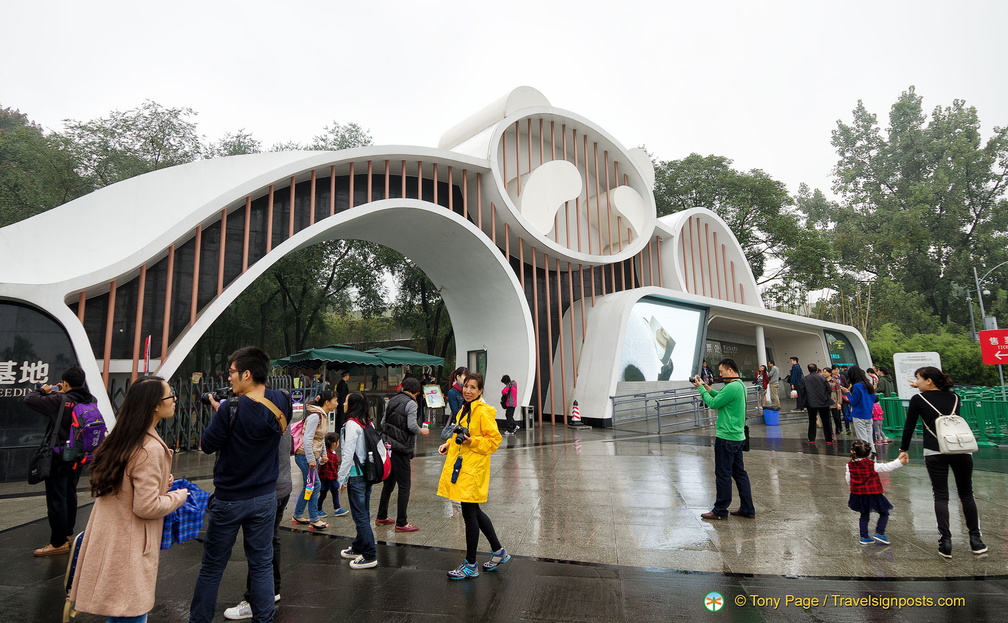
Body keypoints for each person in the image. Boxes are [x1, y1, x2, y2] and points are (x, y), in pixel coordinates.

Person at [69, 376, 188, 622]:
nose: (175, 400)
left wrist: (159, 482)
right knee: (131, 612)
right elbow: (146, 506)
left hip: (110, 538)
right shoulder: (150, 448)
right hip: (130, 545)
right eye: (170, 396)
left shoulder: (122, 438)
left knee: (118, 611)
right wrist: (178, 496)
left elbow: (126, 486)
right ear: (155, 405)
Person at [189, 346, 290, 623]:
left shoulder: (230, 409)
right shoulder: (282, 400)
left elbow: (207, 445)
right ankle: (264, 619)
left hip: (230, 499)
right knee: (261, 565)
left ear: (247, 374)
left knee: (212, 567)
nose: (229, 378)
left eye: (232, 372)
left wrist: (220, 415)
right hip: (265, 498)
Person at [898, 366, 987, 558]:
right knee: (966, 493)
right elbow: (940, 398)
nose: (916, 382)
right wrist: (922, 388)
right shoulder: (955, 397)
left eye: (918, 379)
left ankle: (945, 542)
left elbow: (909, 428)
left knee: (941, 496)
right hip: (960, 449)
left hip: (934, 451)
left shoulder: (918, 399)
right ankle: (976, 540)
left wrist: (903, 450)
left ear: (928, 381)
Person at [223, 394, 296, 621]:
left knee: (258, 549)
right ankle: (272, 590)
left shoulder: (264, 422)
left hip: (267, 490)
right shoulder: (284, 423)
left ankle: (254, 599)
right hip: (284, 487)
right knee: (271, 540)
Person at [437, 372, 509, 579]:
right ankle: (498, 551)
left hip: (473, 469)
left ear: (480, 391)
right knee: (474, 511)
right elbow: (460, 434)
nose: (468, 391)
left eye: (473, 388)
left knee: (470, 514)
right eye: (466, 386)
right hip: (464, 467)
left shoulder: (483, 411)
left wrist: (472, 442)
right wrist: (448, 443)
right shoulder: (464, 409)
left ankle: (470, 564)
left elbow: (494, 441)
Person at [24, 364, 98, 556]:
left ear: (65, 383)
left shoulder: (60, 400)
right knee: (69, 495)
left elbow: (30, 399)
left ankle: (57, 543)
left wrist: (43, 390)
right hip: (79, 456)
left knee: (57, 499)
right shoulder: (91, 400)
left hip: (59, 457)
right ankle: (67, 535)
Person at [691, 358, 755, 520]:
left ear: (730, 370)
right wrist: (705, 386)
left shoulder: (732, 386)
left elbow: (713, 403)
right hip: (737, 436)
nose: (720, 374)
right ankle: (747, 508)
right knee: (740, 473)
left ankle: (720, 510)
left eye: (721, 371)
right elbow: (720, 395)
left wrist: (700, 389)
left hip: (726, 437)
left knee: (723, 474)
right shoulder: (741, 386)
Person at [375, 377, 430, 532]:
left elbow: (383, 423)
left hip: (388, 446)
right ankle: (401, 522)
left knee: (389, 483)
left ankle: (381, 516)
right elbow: (412, 425)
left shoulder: (392, 400)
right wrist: (422, 430)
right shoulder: (411, 403)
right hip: (401, 448)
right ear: (417, 392)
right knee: (405, 486)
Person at [337, 393, 379, 569]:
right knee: (363, 513)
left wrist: (340, 478)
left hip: (356, 475)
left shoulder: (351, 425)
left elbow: (347, 454)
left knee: (360, 516)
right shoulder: (367, 422)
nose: (343, 403)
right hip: (368, 473)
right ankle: (358, 546)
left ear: (352, 404)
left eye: (346, 401)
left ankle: (369, 554)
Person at [846, 439, 907, 546]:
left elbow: (848, 479)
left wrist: (854, 486)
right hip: (873, 494)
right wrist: (899, 462)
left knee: (864, 515)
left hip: (858, 494)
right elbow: (886, 467)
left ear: (853, 451)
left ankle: (864, 537)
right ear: (868, 453)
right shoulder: (871, 464)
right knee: (884, 512)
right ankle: (879, 532)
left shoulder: (849, 465)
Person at [291, 391, 336, 530]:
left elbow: (320, 438)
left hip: (312, 456)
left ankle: (298, 514)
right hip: (304, 455)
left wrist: (323, 453)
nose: (337, 403)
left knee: (309, 486)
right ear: (327, 402)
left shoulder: (323, 415)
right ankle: (314, 519)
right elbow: (307, 438)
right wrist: (311, 459)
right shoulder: (315, 417)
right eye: (335, 400)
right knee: (315, 485)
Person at [315, 432, 349, 520]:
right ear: (334, 444)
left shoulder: (325, 454)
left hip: (325, 478)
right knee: (327, 494)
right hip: (330, 478)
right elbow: (334, 469)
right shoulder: (331, 456)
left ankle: (335, 508)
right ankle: (320, 509)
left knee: (326, 494)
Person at [803, 364, 834, 444]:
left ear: (809, 370)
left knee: (812, 420)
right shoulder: (822, 378)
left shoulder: (805, 378)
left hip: (811, 402)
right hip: (823, 401)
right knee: (826, 421)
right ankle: (829, 439)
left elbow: (803, 391)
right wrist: (827, 397)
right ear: (816, 369)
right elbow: (828, 389)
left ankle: (811, 439)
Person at [842, 366, 875, 444]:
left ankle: (864, 454)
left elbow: (854, 401)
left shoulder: (857, 386)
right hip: (868, 414)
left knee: (862, 438)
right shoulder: (868, 385)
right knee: (870, 437)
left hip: (859, 414)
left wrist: (847, 392)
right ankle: (872, 453)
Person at [825, 367, 845, 436]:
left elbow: (838, 392)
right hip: (825, 401)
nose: (824, 373)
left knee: (836, 417)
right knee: (827, 418)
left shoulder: (835, 381)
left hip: (834, 401)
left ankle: (838, 429)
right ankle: (830, 431)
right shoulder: (823, 381)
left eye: (825, 372)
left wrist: (839, 403)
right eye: (823, 372)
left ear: (829, 373)